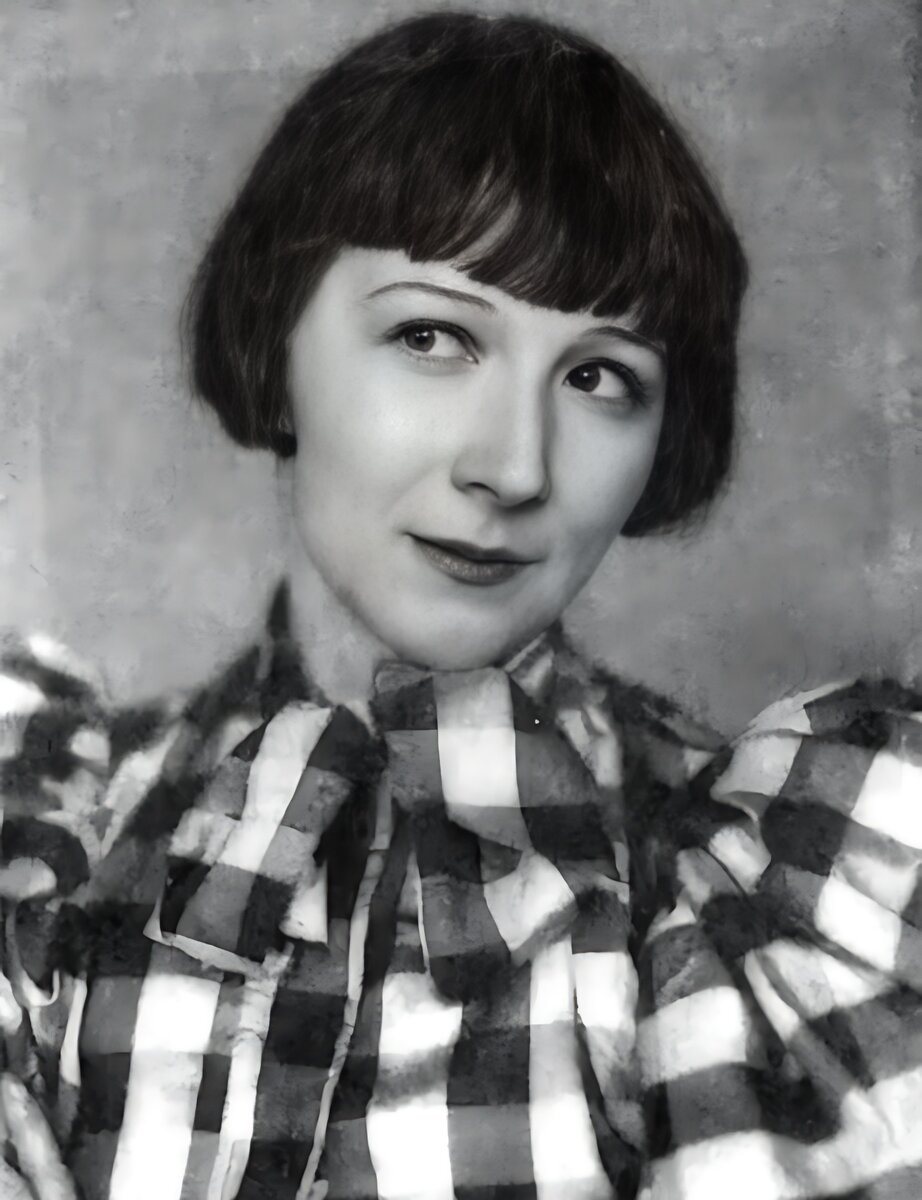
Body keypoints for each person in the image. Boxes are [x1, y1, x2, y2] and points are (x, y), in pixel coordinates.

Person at [1, 11, 920, 1200]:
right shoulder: (51, 841)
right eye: (431, 335)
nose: (515, 467)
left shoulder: (757, 902)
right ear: (276, 339)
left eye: (599, 376)